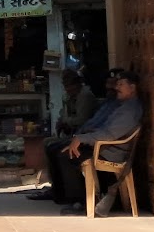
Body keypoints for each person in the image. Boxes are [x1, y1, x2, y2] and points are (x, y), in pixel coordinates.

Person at [29, 68, 142, 215]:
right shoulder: (120, 105)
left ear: (132, 88)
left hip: (110, 151)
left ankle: (82, 200)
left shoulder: (129, 110)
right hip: (103, 146)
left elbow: (109, 134)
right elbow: (99, 126)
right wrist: (81, 137)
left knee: (67, 154)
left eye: (120, 84)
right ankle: (70, 195)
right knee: (61, 150)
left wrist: (82, 138)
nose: (116, 88)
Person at [55, 69, 99, 135]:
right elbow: (64, 114)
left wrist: (65, 121)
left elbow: (82, 120)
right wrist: (61, 121)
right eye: (66, 86)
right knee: (48, 141)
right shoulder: (70, 96)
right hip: (74, 133)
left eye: (70, 85)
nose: (67, 89)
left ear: (78, 83)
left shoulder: (85, 95)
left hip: (86, 133)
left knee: (50, 143)